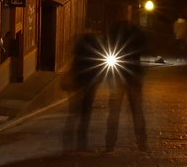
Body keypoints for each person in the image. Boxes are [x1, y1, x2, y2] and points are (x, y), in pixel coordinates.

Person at [104, 9, 148, 152]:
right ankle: (139, 142)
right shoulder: (132, 30)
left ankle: (113, 144)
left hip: (124, 74)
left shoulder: (116, 31)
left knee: (126, 110)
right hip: (129, 74)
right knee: (131, 110)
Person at [63, 29, 102, 152]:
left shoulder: (80, 50)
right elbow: (98, 68)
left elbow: (75, 64)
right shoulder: (95, 51)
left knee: (74, 112)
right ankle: (82, 139)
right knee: (85, 112)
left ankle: (68, 139)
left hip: (78, 81)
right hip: (90, 83)